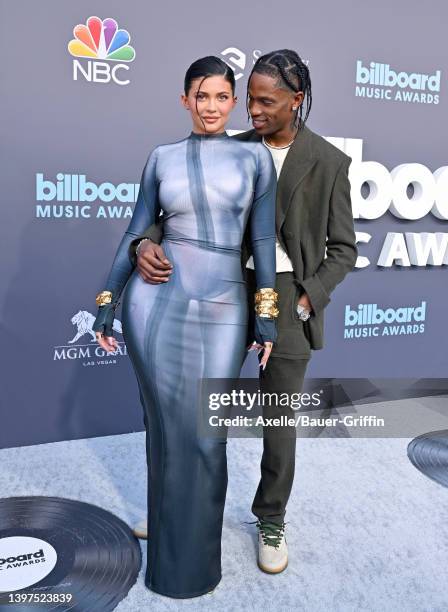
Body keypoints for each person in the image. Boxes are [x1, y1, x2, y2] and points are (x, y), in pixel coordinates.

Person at [128, 49, 358, 575]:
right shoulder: (231, 148)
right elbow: (172, 212)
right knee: (192, 410)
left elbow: (343, 248)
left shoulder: (328, 162)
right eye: (248, 99)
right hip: (222, 285)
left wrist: (306, 296)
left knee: (277, 415)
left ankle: (271, 517)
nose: (251, 110)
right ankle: (173, 506)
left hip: (286, 291)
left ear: (296, 102)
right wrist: (145, 240)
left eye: (265, 101)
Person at [91, 56, 278, 598]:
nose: (212, 107)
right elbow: (137, 228)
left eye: (222, 97)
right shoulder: (162, 157)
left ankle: (197, 562)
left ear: (234, 101)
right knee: (168, 432)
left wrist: (265, 314)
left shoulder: (255, 160)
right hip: (156, 303)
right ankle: (169, 561)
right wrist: (108, 299)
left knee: (204, 435)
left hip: (225, 306)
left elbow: (261, 242)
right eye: (202, 96)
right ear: (184, 100)